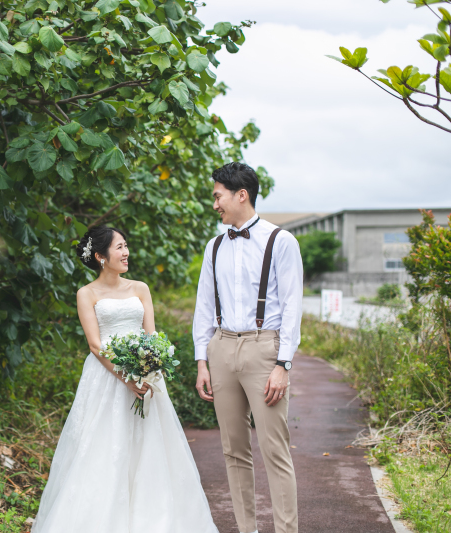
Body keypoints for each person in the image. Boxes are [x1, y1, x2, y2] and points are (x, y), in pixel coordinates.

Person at [32, 225, 217, 533]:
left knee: (151, 448)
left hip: (146, 378)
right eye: (119, 247)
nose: (126, 252)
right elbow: (95, 344)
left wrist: (150, 368)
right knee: (103, 448)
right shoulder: (86, 294)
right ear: (100, 257)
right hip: (105, 379)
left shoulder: (140, 288)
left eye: (126, 245)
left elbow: (151, 335)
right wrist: (126, 378)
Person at [193, 162, 303, 533]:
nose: (215, 204)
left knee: (275, 450)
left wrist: (282, 364)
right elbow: (204, 306)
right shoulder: (214, 246)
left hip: (264, 349)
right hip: (222, 349)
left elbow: (292, 307)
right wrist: (202, 361)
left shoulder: (281, 241)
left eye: (218, 196)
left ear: (242, 195)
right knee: (233, 450)